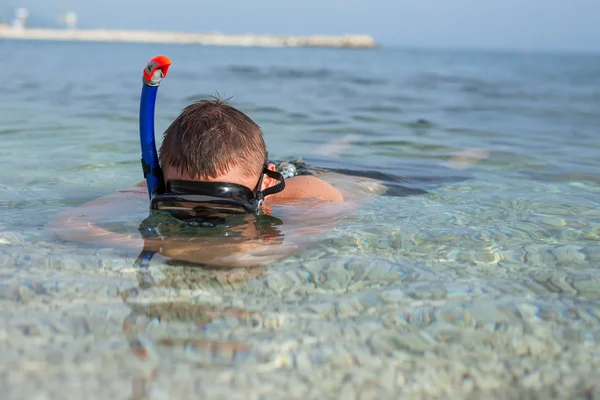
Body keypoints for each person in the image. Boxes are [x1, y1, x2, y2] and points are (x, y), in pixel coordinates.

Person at [47, 98, 349, 268]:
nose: (200, 218)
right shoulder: (152, 189)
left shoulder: (301, 193)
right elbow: (67, 224)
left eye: (225, 210)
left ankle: (344, 142)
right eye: (178, 207)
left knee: (329, 156)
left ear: (263, 184)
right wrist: (143, 244)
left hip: (301, 171)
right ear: (161, 182)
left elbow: (286, 243)